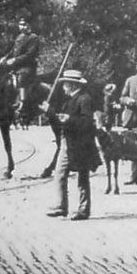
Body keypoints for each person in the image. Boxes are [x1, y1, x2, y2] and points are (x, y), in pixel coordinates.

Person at [47, 69, 99, 221]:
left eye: (65, 84)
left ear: (72, 84)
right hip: (67, 142)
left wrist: (69, 120)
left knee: (82, 176)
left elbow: (87, 122)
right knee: (59, 174)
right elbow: (61, 119)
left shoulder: (85, 99)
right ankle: (61, 207)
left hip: (81, 143)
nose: (63, 86)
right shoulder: (69, 100)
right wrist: (49, 112)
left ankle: (83, 210)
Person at [0, 15, 40, 119]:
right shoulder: (19, 37)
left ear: (28, 25)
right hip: (16, 66)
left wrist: (15, 60)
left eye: (24, 24)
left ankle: (23, 103)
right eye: (20, 24)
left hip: (27, 66)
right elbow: (13, 51)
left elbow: (29, 55)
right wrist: (5, 57)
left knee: (22, 78)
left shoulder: (33, 38)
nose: (21, 27)